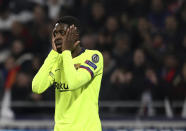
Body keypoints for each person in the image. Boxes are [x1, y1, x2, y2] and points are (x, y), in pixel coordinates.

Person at [32, 16, 103, 131]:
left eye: (62, 32)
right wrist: (54, 54)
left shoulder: (93, 56)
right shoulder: (57, 60)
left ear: (75, 35)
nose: (57, 37)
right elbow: (37, 87)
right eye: (55, 34)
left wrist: (65, 52)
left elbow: (74, 82)